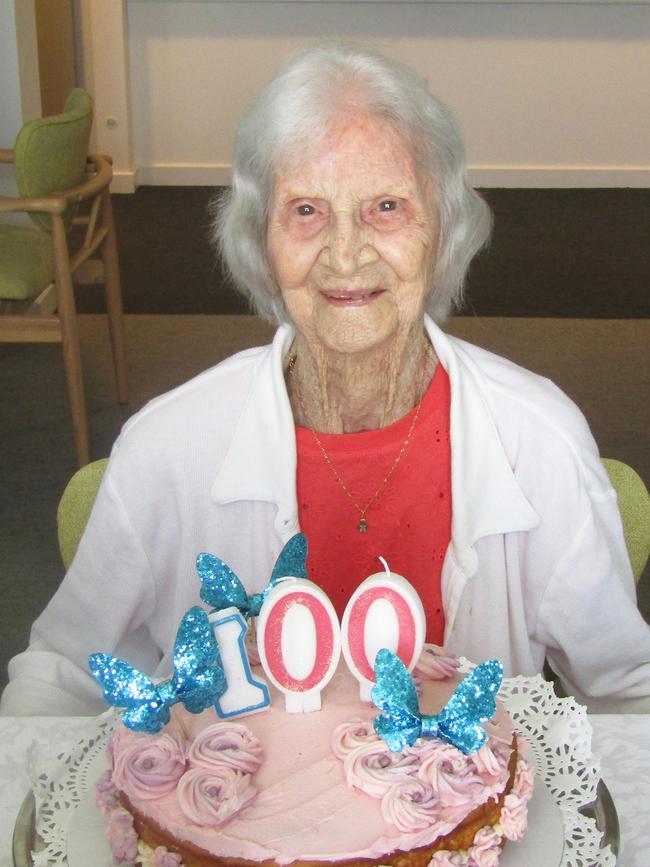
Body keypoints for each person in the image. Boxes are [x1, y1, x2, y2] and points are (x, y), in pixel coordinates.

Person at [2, 43, 649, 717]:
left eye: (387, 206)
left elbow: (631, 690)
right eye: (306, 210)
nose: (345, 252)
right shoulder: (168, 446)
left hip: (475, 826)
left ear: (445, 228)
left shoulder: (539, 440)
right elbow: (60, 677)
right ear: (259, 237)